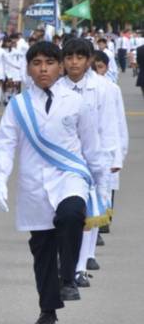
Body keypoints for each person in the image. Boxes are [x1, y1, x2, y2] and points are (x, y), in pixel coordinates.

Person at [0, 41, 109, 324]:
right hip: (34, 183)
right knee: (43, 251)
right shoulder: (18, 105)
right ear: (28, 68)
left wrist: (102, 184)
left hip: (69, 176)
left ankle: (68, 276)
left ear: (60, 67)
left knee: (71, 215)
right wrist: (0, 177)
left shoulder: (76, 101)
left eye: (49, 63)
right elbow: (4, 144)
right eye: (37, 63)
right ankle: (47, 311)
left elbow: (92, 145)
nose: (43, 69)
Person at [60, 39, 118, 287]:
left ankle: (80, 267)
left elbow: (109, 125)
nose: (74, 62)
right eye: (69, 57)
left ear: (89, 60)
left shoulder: (102, 88)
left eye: (80, 57)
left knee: (88, 214)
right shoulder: (55, 87)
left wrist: (113, 158)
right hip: (63, 161)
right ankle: (66, 261)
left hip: (93, 160)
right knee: (65, 216)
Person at [90, 50, 128, 234]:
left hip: (108, 145)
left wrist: (121, 152)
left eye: (100, 67)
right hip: (89, 147)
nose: (97, 71)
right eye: (93, 67)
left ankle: (104, 218)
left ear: (106, 68)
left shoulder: (112, 89)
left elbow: (119, 122)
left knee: (107, 183)